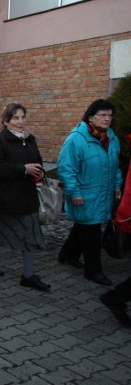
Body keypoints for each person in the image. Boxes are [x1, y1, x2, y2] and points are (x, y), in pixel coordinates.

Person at [0, 103, 50, 290]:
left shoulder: (30, 139)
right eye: (15, 118)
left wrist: (39, 172)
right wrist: (22, 169)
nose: (20, 122)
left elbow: (38, 160)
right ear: (6, 120)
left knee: (30, 235)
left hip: (26, 198)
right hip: (3, 199)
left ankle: (28, 275)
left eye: (22, 117)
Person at [57, 99, 122, 285]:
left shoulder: (111, 137)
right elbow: (66, 168)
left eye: (110, 115)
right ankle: (93, 271)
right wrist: (74, 192)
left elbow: (115, 164)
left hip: (103, 192)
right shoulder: (77, 138)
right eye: (103, 115)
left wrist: (117, 184)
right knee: (92, 232)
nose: (107, 119)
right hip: (85, 194)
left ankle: (67, 255)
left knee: (85, 225)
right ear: (91, 117)